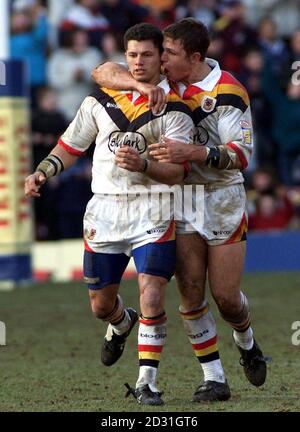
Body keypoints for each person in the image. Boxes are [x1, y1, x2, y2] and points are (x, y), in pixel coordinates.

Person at [92, 18, 267, 402]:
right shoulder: (162, 85)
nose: (161, 61)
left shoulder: (229, 91)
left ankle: (247, 340)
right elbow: (102, 71)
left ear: (195, 57)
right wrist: (139, 84)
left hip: (222, 197)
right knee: (189, 291)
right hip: (181, 196)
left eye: (168, 54)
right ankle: (215, 378)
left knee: (226, 297)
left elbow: (241, 155)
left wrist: (194, 152)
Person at [25, 23, 194, 406]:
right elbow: (70, 146)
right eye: (132, 54)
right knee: (101, 305)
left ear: (160, 58)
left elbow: (178, 172)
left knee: (152, 296)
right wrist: (42, 171)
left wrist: (144, 166)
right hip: (105, 209)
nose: (138, 62)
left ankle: (147, 382)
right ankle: (121, 324)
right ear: (125, 56)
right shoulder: (98, 102)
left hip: (152, 207)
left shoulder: (177, 110)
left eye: (147, 54)